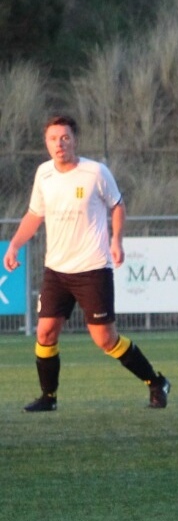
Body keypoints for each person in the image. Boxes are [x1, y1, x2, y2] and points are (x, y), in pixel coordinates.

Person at [4, 115, 169, 412]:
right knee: (45, 333)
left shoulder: (95, 172)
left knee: (105, 340)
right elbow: (34, 215)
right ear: (46, 143)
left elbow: (117, 205)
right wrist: (15, 244)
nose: (59, 143)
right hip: (57, 270)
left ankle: (156, 383)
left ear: (74, 140)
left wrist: (116, 240)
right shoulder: (44, 174)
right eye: (53, 138)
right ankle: (49, 397)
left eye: (64, 137)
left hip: (93, 268)